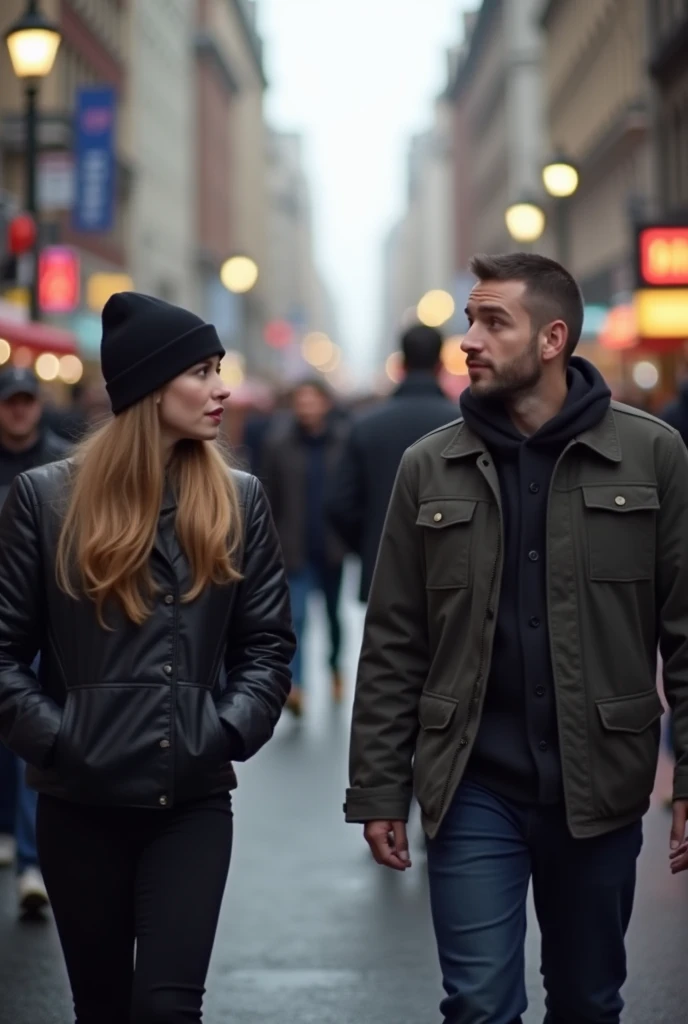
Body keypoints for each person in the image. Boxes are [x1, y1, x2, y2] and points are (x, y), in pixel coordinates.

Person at [344, 253, 688, 1024]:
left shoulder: (652, 453)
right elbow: (394, 637)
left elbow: (684, 628)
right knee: (477, 1004)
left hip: (601, 780)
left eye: (493, 321)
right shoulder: (427, 465)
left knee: (588, 1001)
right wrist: (377, 785)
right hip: (471, 784)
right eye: (470, 319)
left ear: (552, 339)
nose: (470, 338)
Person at [0, 292, 294, 1024]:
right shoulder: (44, 499)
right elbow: (3, 654)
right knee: (101, 1008)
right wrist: (62, 739)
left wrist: (221, 732)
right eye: (201, 370)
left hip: (190, 801)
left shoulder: (238, 498)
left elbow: (265, 646)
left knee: (167, 1009)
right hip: (78, 802)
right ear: (149, 388)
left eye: (220, 368)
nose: (222, 387)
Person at [0, 366, 70, 917]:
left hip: (41, 616)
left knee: (29, 729)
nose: (19, 410)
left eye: (27, 400)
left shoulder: (66, 467)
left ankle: (30, 861)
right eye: (10, 402)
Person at [326, 323, 457, 603]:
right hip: (453, 573)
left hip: (382, 570)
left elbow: (339, 504)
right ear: (441, 364)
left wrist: (371, 543)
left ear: (402, 363)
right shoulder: (464, 425)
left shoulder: (365, 426)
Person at [261, 378, 349, 715]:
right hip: (292, 547)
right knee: (295, 618)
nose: (306, 407)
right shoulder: (278, 444)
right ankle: (296, 687)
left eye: (312, 400)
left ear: (325, 403)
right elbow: (267, 496)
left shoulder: (342, 441)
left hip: (331, 547)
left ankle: (336, 667)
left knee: (333, 616)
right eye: (301, 401)